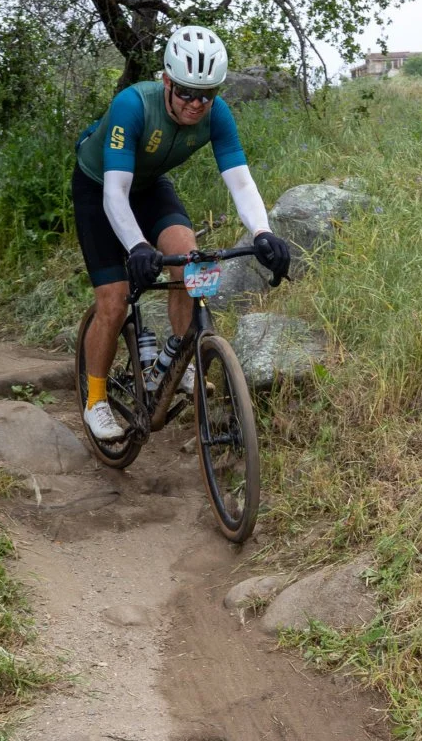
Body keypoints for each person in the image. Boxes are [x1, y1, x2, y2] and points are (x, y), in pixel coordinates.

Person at [72, 25, 292, 439]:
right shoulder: (133, 105)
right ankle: (95, 400)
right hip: (100, 187)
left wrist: (263, 232)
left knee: (190, 261)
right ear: (167, 82)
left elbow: (241, 182)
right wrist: (137, 245)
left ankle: (179, 362)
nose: (197, 104)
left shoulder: (216, 114)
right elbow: (115, 193)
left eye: (207, 94)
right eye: (188, 92)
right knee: (114, 301)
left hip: (149, 186)